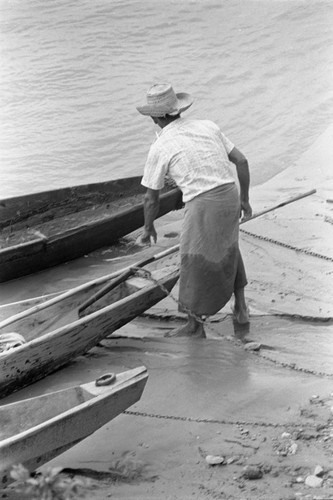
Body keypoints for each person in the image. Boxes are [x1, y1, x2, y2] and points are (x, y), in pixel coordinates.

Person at [136, 83, 252, 338]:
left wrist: (148, 228)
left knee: (192, 259)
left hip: (203, 203)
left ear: (155, 117)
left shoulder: (160, 145)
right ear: (177, 109)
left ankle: (194, 325)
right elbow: (241, 161)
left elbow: (150, 198)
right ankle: (241, 308)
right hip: (229, 193)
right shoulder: (207, 126)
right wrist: (244, 199)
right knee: (228, 245)